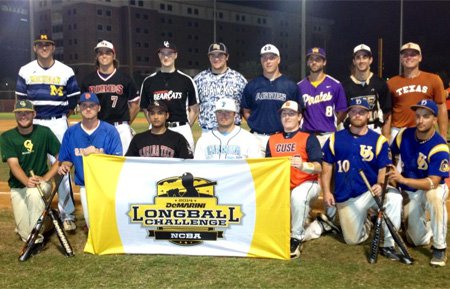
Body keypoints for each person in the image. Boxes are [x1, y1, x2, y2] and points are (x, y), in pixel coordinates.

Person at [321, 98, 403, 260]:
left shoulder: (378, 140)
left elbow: (384, 168)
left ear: (368, 115)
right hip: (346, 196)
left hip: (370, 191)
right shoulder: (335, 138)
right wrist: (326, 192)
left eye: (361, 112)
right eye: (353, 111)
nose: (357, 115)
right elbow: (326, 168)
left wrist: (380, 184)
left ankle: (388, 244)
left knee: (394, 197)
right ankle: (368, 222)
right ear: (348, 114)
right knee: (352, 240)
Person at [15, 34, 80, 232]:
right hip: (34, 122)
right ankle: (31, 213)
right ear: (35, 48)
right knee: (30, 165)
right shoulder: (25, 70)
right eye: (40, 45)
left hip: (57, 122)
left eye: (47, 44)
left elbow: (73, 99)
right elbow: (21, 100)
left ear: (53, 47)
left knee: (61, 166)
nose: (44, 47)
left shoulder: (65, 70)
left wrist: (59, 115)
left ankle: (67, 214)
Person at [388, 99, 449, 267]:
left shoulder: (440, 146)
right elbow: (390, 154)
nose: (420, 120)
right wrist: (392, 172)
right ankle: (429, 226)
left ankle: (439, 247)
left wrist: (402, 179)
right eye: (418, 116)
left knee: (435, 198)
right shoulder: (405, 134)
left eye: (426, 116)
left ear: (435, 119)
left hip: (433, 187)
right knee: (415, 240)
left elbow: (433, 182)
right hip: (410, 188)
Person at [0, 100, 60, 252]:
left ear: (34, 114)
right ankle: (49, 221)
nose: (23, 115)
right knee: (23, 232)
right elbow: (14, 165)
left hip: (41, 184)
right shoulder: (7, 137)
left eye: (27, 112)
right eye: (19, 113)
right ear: (15, 115)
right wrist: (27, 181)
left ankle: (36, 241)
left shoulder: (44, 132)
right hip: (19, 186)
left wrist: (46, 177)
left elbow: (61, 157)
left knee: (33, 194)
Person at [265, 100, 322, 259]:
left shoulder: (308, 138)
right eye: (284, 114)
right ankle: (317, 226)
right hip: (282, 187)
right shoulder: (273, 139)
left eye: (291, 114)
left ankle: (296, 238)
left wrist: (304, 166)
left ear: (299, 117)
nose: (287, 117)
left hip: (307, 183)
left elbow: (319, 166)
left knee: (297, 195)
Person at [58, 92, 122, 227]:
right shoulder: (71, 132)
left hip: (107, 185)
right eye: (84, 105)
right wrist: (65, 165)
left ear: (99, 108)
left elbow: (117, 162)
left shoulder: (110, 131)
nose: (88, 109)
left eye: (92, 105)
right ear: (79, 108)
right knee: (93, 226)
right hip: (85, 185)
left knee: (110, 223)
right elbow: (67, 159)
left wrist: (98, 152)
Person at [81, 40, 140, 154]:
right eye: (100, 53)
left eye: (107, 52)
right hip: (98, 127)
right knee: (99, 164)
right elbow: (84, 106)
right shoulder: (88, 80)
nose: (104, 55)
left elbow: (135, 105)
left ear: (114, 55)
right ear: (96, 56)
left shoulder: (125, 78)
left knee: (124, 163)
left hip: (120, 127)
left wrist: (126, 123)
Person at [139, 41, 199, 150]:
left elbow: (194, 109)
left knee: (185, 165)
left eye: (170, 53)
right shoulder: (149, 81)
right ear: (159, 55)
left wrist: (185, 126)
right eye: (163, 53)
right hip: (156, 129)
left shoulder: (186, 80)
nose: (166, 56)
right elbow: (145, 107)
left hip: (181, 129)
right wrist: (155, 124)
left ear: (176, 55)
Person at [241, 44, 298, 154]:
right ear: (261, 60)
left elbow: (299, 112)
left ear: (278, 59)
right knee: (257, 171)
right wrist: (257, 123)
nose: (268, 61)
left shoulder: (290, 85)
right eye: (264, 58)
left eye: (272, 58)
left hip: (281, 137)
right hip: (256, 138)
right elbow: (246, 110)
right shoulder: (252, 85)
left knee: (281, 171)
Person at [386, 42, 447, 143]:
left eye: (413, 54)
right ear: (401, 58)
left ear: (420, 57)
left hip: (425, 130)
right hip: (399, 131)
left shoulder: (433, 79)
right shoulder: (391, 83)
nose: (409, 57)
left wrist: (443, 134)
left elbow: (441, 107)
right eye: (405, 55)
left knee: (425, 158)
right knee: (397, 159)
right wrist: (387, 135)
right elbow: (388, 112)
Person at [298, 47, 347, 147]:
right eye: (311, 59)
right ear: (307, 62)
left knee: (328, 163)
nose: (314, 62)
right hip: (307, 135)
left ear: (324, 62)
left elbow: (342, 110)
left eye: (318, 59)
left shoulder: (335, 84)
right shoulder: (299, 86)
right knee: (308, 163)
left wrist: (332, 123)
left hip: (328, 135)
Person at [194, 42, 247, 133]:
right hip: (208, 131)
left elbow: (246, 106)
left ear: (227, 57)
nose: (216, 58)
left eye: (220, 55)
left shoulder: (239, 79)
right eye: (213, 55)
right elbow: (193, 107)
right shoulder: (199, 79)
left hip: (233, 131)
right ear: (209, 57)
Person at [342, 44, 392, 138]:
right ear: (354, 61)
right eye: (358, 57)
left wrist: (386, 136)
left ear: (370, 60)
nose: (361, 61)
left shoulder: (380, 83)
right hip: (351, 132)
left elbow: (387, 113)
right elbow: (341, 114)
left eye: (365, 57)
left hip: (374, 130)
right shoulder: (345, 86)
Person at [194, 98, 261, 159]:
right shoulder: (204, 140)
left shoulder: (249, 139)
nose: (223, 115)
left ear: (234, 114)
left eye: (228, 112)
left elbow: (256, 167)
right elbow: (198, 167)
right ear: (215, 114)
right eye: (220, 112)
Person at [126, 101, 193, 159]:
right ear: (148, 116)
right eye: (152, 113)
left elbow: (187, 163)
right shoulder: (138, 139)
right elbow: (128, 163)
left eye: (160, 113)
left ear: (167, 115)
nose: (156, 117)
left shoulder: (178, 139)